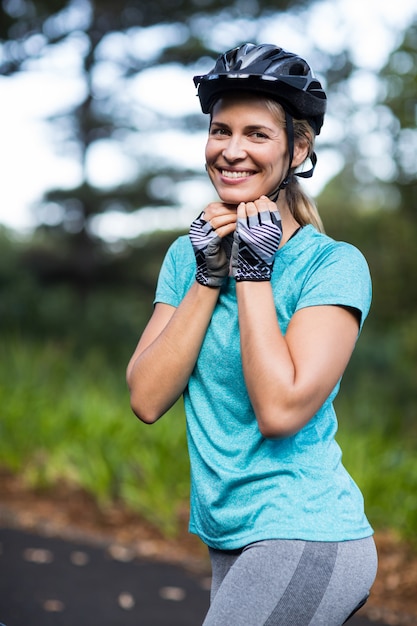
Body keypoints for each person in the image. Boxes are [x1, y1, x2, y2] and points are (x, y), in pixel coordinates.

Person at [126, 43, 378, 625]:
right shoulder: (187, 256)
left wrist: (254, 271)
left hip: (307, 532)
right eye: (220, 131)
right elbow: (146, 398)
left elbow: (281, 409)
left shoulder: (333, 266)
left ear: (299, 147)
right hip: (229, 537)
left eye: (257, 134)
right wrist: (209, 276)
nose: (231, 151)